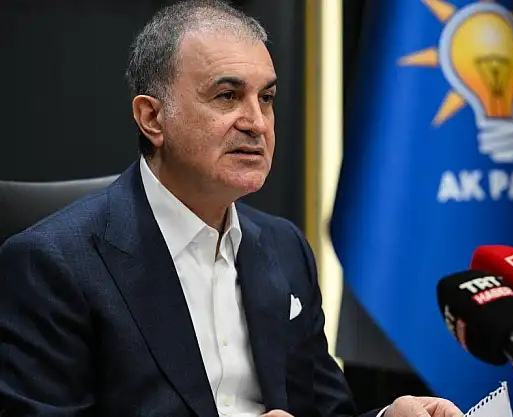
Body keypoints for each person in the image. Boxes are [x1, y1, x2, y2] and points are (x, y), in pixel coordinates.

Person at [0, 1, 465, 416]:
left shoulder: (285, 248)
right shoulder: (51, 264)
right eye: (227, 96)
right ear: (152, 118)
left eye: (267, 98)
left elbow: (327, 410)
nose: (257, 123)